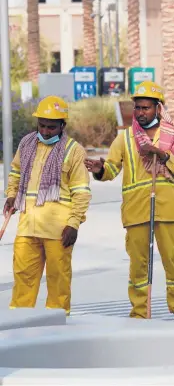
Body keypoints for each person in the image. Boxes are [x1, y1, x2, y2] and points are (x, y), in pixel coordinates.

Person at [84, 81, 174, 322]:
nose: (141, 113)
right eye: (138, 108)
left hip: (167, 211)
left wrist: (164, 156)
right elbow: (111, 169)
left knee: (173, 263)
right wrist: (99, 169)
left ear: (158, 108)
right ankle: (139, 313)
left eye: (146, 108)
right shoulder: (125, 139)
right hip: (136, 212)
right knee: (138, 268)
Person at [4, 96, 92, 316]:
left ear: (63, 125)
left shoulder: (74, 150)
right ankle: (20, 326)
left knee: (58, 283)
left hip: (58, 230)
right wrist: (11, 195)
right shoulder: (26, 144)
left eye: (51, 127)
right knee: (23, 280)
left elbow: (81, 192)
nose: (45, 131)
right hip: (27, 226)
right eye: (41, 125)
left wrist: (74, 224)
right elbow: (15, 172)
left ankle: (58, 329)